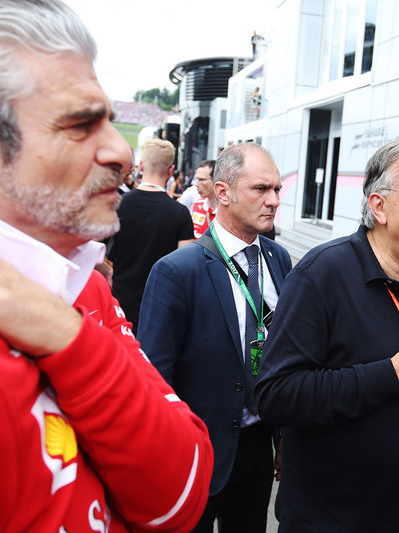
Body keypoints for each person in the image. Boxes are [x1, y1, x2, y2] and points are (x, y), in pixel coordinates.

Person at [0, 1, 212, 531]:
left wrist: (63, 333)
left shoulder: (75, 285)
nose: (121, 151)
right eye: (80, 124)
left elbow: (179, 497)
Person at [256, 136, 399, 532]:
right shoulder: (322, 275)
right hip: (334, 519)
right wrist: (390, 377)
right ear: (379, 206)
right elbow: (275, 395)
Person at [138, 143, 292, 533]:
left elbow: (286, 354)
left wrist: (283, 436)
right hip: (196, 446)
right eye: (261, 189)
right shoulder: (176, 271)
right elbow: (155, 376)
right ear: (223, 193)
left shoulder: (279, 260)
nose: (274, 201)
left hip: (258, 444)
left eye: (276, 189)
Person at [108, 139, 194, 334]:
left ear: (140, 165)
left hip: (120, 303)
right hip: (162, 306)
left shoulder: (117, 204)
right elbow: (185, 268)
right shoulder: (180, 213)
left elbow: (98, 251)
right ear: (171, 170)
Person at [191, 160, 217, 238]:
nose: (196, 184)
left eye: (201, 180)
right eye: (196, 179)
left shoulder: (229, 211)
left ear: (216, 181)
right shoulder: (197, 204)